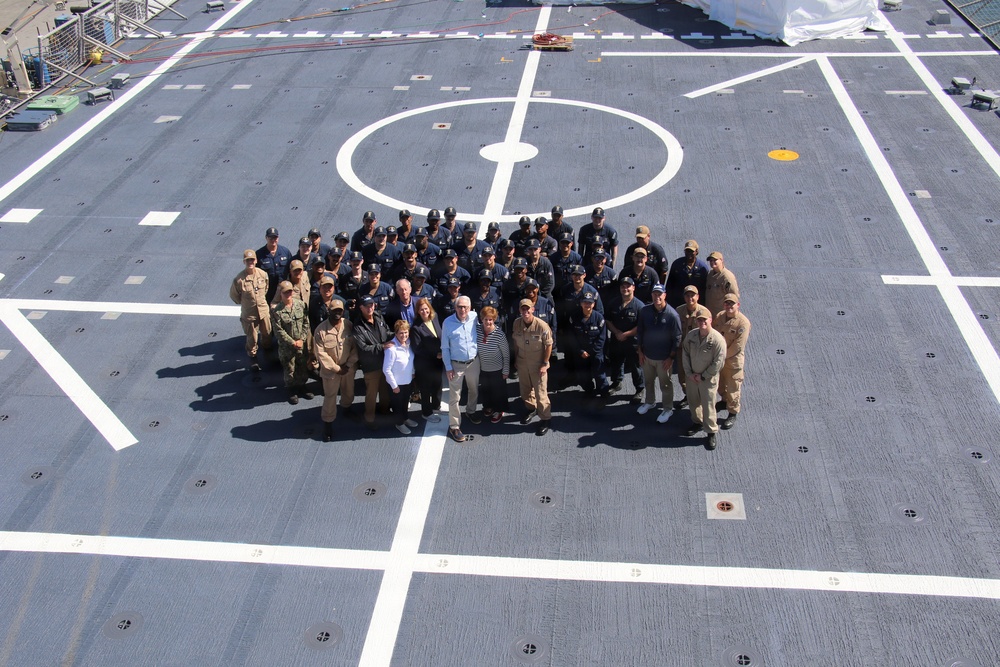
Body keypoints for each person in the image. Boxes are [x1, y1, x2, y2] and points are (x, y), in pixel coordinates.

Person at [636, 283, 683, 423]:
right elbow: (640, 332)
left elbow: (677, 338)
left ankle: (668, 409)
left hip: (664, 359)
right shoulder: (645, 311)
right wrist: (640, 351)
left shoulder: (672, 315)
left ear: (665, 295)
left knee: (665, 385)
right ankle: (650, 402)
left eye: (660, 294)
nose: (657, 297)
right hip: (647, 356)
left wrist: (671, 358)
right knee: (648, 381)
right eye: (655, 294)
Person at [313, 300, 357, 441]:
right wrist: (337, 368)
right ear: (328, 311)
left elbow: (355, 347)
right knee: (330, 397)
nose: (337, 313)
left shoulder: (348, 325)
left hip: (348, 368)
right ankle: (328, 423)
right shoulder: (320, 330)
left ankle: (346, 408)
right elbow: (321, 354)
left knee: (348, 392)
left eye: (339, 310)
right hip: (331, 371)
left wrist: (349, 364)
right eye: (334, 310)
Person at [682, 311, 727, 450]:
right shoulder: (691, 336)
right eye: (699, 320)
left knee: (708, 405)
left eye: (704, 320)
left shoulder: (717, 340)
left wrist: (702, 376)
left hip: (708, 379)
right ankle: (697, 422)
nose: (702, 322)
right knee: (693, 402)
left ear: (710, 320)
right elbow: (685, 353)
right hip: (692, 378)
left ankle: (711, 431)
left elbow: (718, 362)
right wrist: (689, 374)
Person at [440, 296, 479, 442]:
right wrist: (448, 368)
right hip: (456, 365)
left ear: (470, 308)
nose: (463, 310)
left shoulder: (475, 317)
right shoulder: (447, 323)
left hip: (474, 362)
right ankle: (454, 426)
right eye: (460, 307)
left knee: (474, 389)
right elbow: (444, 348)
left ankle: (470, 411)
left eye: (466, 307)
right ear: (455, 307)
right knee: (455, 397)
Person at [512, 300, 553, 436]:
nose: (525, 312)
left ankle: (545, 419)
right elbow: (516, 343)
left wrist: (545, 363)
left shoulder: (542, 325)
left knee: (541, 393)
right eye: (523, 309)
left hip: (538, 363)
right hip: (523, 361)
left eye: (528, 309)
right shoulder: (517, 323)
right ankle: (531, 409)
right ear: (519, 310)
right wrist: (517, 359)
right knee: (525, 389)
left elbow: (548, 345)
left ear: (533, 309)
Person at [352, 295, 393, 429]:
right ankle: (369, 417)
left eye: (372, 305)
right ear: (361, 308)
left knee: (385, 390)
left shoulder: (379, 317)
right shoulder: (358, 326)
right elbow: (363, 348)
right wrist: (382, 346)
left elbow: (386, 332)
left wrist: (397, 334)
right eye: (367, 306)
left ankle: (385, 410)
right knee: (371, 393)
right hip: (371, 365)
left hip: (385, 361)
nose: (370, 308)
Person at [713, 293, 751, 430]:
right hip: (719, 359)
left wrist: (722, 355)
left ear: (737, 305)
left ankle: (732, 412)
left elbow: (738, 346)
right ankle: (724, 400)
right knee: (721, 384)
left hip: (732, 362)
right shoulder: (719, 317)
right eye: (727, 303)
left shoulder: (743, 323)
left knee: (733, 387)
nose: (729, 306)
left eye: (732, 304)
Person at [272, 280, 313, 405]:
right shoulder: (277, 311)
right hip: (287, 347)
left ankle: (302, 386)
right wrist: (292, 342)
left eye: (290, 291)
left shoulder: (301, 305)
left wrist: (302, 339)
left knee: (302, 367)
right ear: (281, 293)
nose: (288, 294)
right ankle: (291, 390)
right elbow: (278, 331)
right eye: (285, 292)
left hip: (301, 344)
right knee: (290, 369)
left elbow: (306, 322)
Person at [230, 249, 271, 372]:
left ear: (256, 260)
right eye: (248, 260)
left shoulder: (263, 275)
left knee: (267, 333)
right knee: (252, 338)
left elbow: (266, 289)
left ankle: (268, 352)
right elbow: (234, 296)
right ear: (244, 262)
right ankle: (253, 357)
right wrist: (245, 303)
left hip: (263, 311)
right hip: (250, 314)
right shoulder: (239, 280)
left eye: (252, 260)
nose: (250, 262)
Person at [605, 276, 644, 402]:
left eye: (628, 286)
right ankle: (616, 383)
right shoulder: (613, 303)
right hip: (616, 339)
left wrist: (626, 334)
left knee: (635, 366)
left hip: (632, 341)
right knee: (616, 362)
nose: (625, 288)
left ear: (633, 288)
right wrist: (616, 332)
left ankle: (639, 388)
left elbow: (641, 326)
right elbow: (608, 320)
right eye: (623, 286)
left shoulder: (639, 306)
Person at [674, 285, 711, 409]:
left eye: (692, 295)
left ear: (698, 297)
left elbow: (708, 334)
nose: (690, 298)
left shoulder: (704, 313)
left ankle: (698, 401)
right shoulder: (679, 311)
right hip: (682, 351)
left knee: (697, 377)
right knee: (682, 376)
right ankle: (688, 396)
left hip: (697, 353)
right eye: (687, 295)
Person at [567, 290, 610, 398]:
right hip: (581, 353)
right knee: (584, 376)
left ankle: (604, 394)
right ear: (581, 303)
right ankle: (589, 392)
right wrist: (580, 351)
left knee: (600, 375)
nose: (587, 305)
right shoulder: (574, 318)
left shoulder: (599, 318)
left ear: (594, 304)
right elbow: (572, 337)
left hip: (596, 353)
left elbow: (602, 338)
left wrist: (592, 352)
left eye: (590, 303)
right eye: (585, 302)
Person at [411, 297, 444, 422]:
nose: (424, 311)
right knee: (425, 389)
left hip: (437, 362)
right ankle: (426, 412)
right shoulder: (416, 328)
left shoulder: (434, 319)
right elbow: (417, 349)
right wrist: (435, 354)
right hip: (425, 364)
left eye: (426, 309)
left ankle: (435, 406)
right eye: (421, 310)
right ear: (418, 312)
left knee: (437, 385)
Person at [383, 320, 419, 434]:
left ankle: (405, 418)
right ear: (396, 333)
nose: (404, 335)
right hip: (396, 384)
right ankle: (399, 423)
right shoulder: (391, 349)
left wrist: (412, 372)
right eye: (401, 333)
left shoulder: (408, 344)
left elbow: (410, 360)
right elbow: (386, 369)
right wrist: (394, 386)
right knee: (397, 405)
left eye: (406, 332)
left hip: (407, 380)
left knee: (404, 403)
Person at [476, 306, 510, 424]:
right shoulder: (477, 330)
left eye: (491, 319)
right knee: (486, 390)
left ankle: (499, 410)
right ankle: (488, 407)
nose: (488, 322)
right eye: (486, 319)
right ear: (481, 319)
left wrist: (505, 370)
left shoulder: (499, 335)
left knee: (498, 392)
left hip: (497, 369)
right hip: (483, 369)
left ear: (494, 319)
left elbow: (506, 354)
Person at [665, 239, 710, 309]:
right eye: (687, 251)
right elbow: (669, 286)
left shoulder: (703, 268)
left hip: (696, 305)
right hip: (678, 303)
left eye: (692, 251)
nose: (689, 253)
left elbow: (705, 289)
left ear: (697, 252)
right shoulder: (677, 264)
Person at [256, 227, 291, 304]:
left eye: (275, 237)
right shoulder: (259, 254)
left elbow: (291, 270)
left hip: (283, 291)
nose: (273, 240)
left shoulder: (285, 252)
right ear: (266, 238)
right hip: (267, 292)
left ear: (278, 238)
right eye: (270, 238)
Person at [705, 251, 740, 319]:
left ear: (721, 260)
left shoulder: (727, 277)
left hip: (721, 316)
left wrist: (730, 313)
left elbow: (734, 296)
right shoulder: (710, 274)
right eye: (711, 260)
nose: (712, 262)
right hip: (709, 313)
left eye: (715, 260)